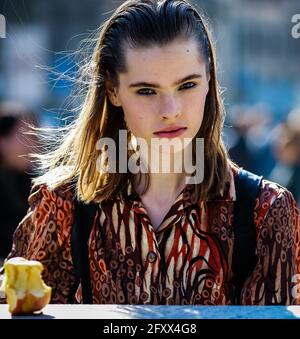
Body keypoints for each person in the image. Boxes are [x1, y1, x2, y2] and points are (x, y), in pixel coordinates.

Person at [1, 0, 300, 306]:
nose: (170, 111)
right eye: (146, 90)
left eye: (187, 85)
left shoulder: (265, 211)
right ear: (114, 90)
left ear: (209, 79)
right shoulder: (60, 206)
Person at [0, 102, 38, 265]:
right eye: (26, 136)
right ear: (3, 140)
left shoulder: (37, 185)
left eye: (35, 136)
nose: (34, 144)